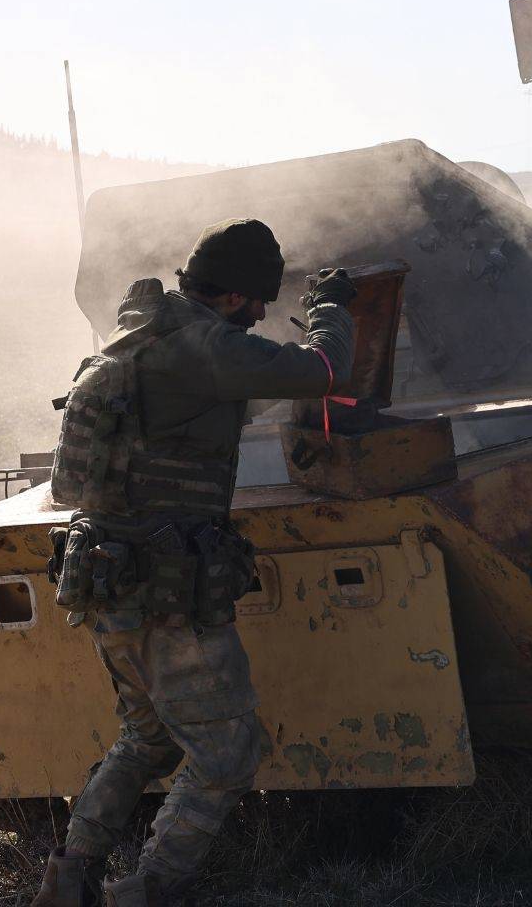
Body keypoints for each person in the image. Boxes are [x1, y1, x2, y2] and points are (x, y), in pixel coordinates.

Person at [32, 219, 355, 907]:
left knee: (144, 737)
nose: (265, 314)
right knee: (225, 755)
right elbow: (325, 372)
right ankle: (143, 892)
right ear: (235, 296)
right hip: (168, 592)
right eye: (261, 302)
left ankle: (67, 878)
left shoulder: (135, 335)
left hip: (103, 574)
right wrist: (330, 309)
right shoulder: (209, 347)